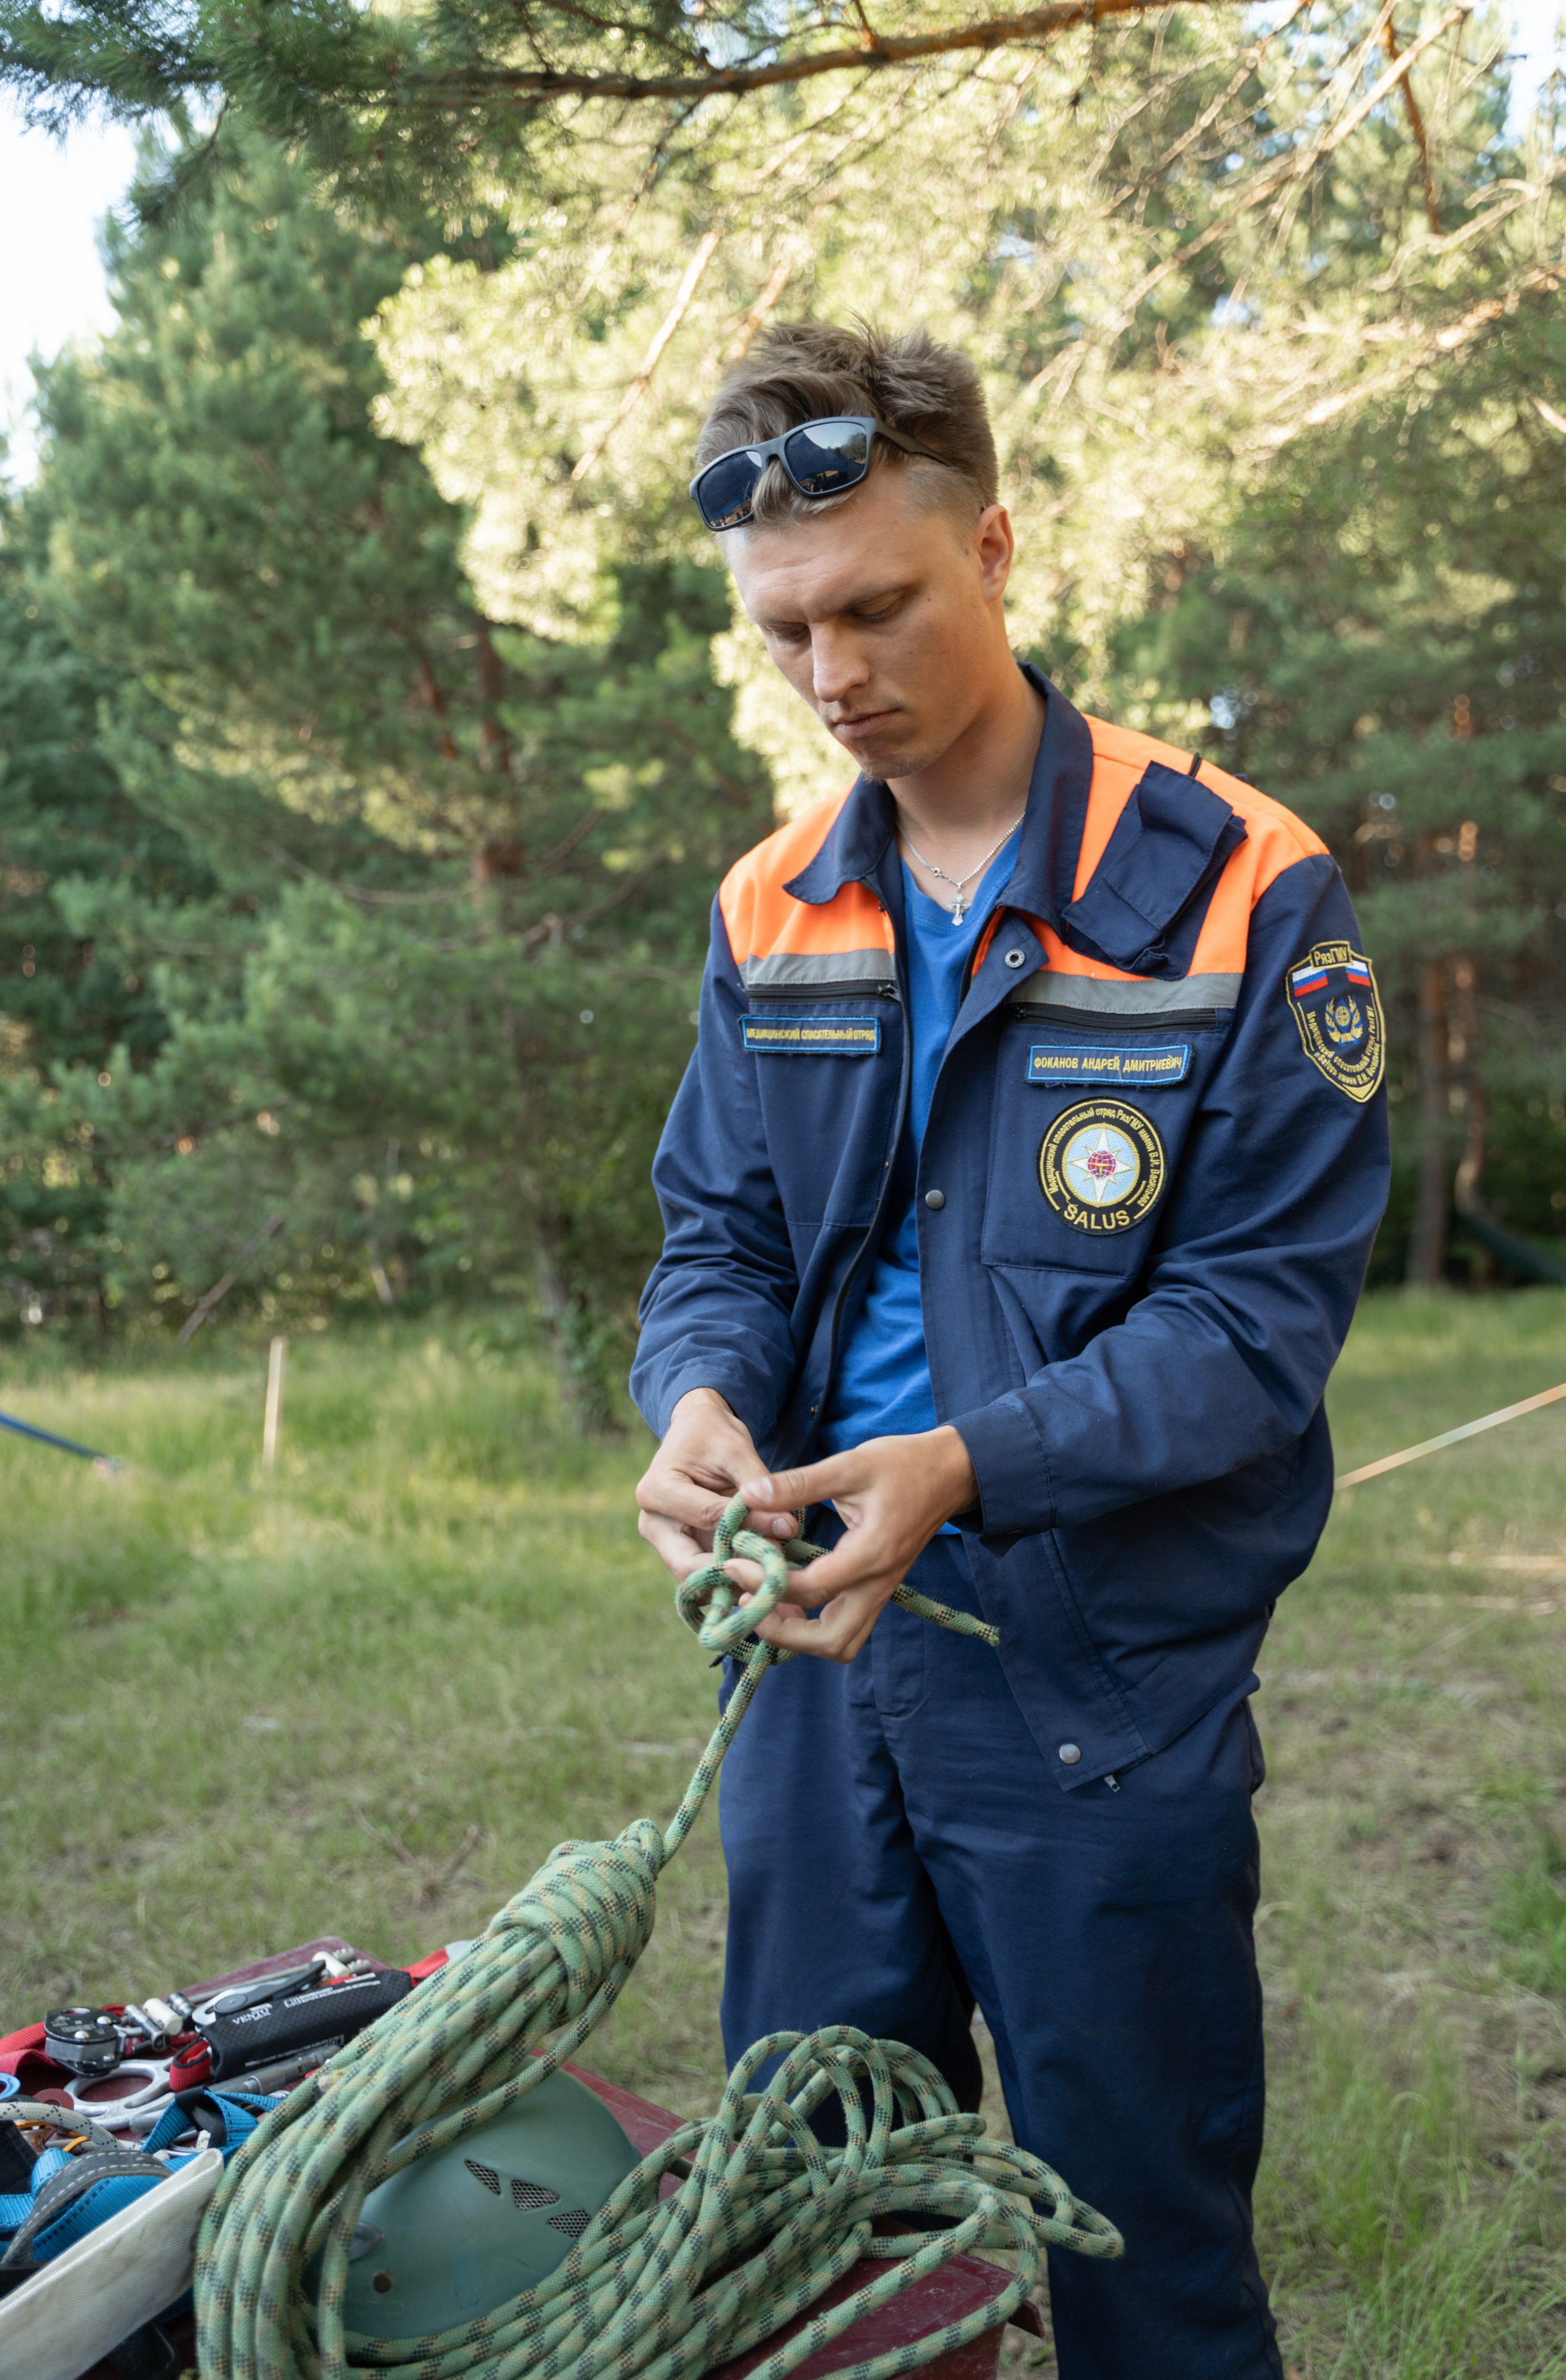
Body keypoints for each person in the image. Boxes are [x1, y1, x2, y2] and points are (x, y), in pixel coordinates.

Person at [630, 320, 1389, 2379]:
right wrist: (698, 1399)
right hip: (810, 1675)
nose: (832, 675)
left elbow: (1254, 1327)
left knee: (1144, 2273)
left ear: (1000, 551)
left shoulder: (1240, 887)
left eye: (876, 605)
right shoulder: (774, 901)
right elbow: (722, 1239)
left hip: (1097, 1692)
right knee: (822, 2259)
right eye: (783, 631)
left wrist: (961, 1466)